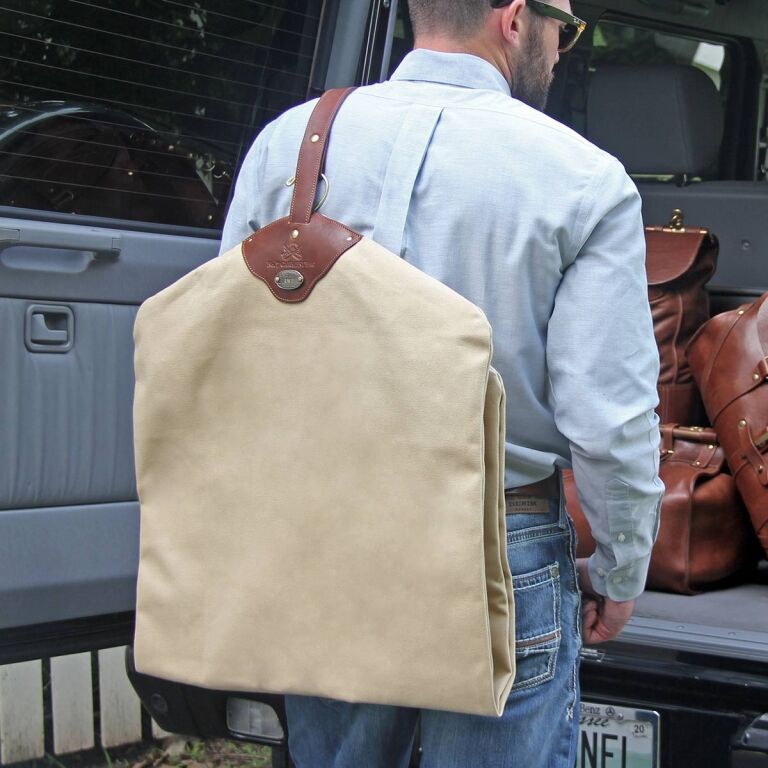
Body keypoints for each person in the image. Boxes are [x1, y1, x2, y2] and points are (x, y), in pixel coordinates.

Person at [219, 0, 664, 765]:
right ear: (516, 19)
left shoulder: (284, 146)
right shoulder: (584, 179)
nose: (561, 52)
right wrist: (620, 567)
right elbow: (609, 421)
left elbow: (224, 352)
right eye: (565, 28)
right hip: (498, 542)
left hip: (325, 537)